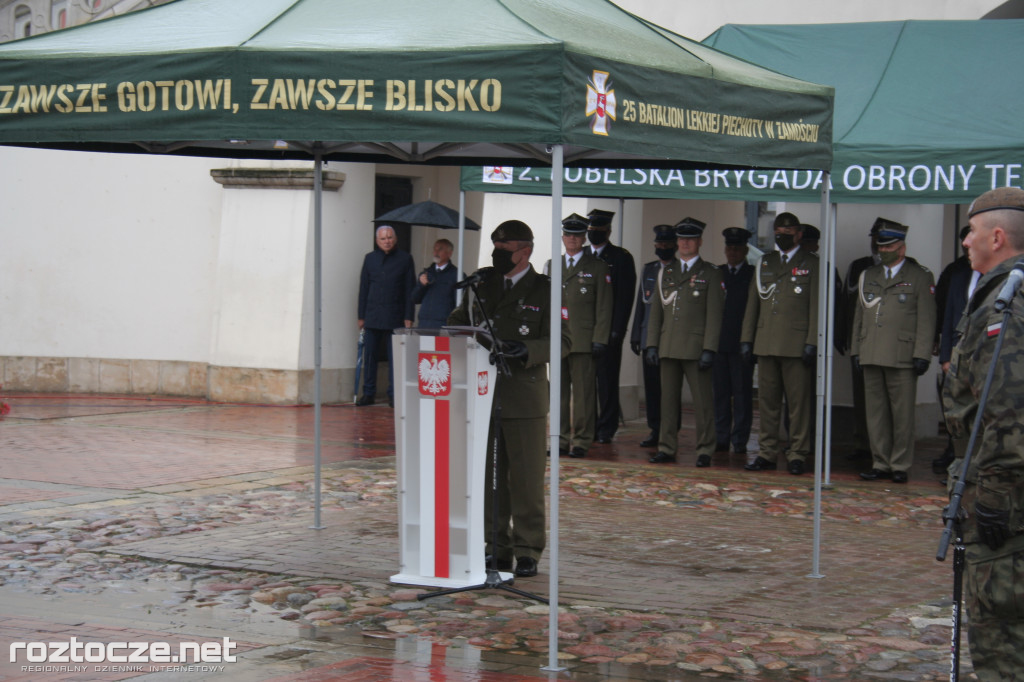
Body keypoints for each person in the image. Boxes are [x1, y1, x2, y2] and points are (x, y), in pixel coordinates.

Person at [941, 186, 1024, 679]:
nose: (965, 242)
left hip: (1005, 505)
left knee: (999, 639)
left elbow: (1007, 409)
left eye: (970, 233)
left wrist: (991, 494)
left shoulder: (1005, 306)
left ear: (996, 236)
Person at [446, 219, 554, 578]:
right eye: (494, 247)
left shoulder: (545, 290)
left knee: (524, 478)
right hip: (482, 395)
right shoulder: (483, 284)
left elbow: (563, 341)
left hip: (524, 396)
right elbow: (457, 320)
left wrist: (527, 349)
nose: (497, 254)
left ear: (526, 251)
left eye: (504, 250)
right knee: (490, 478)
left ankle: (527, 549)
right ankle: (496, 547)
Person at [851, 218, 935, 484]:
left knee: (902, 415)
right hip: (872, 351)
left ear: (902, 248)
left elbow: (926, 318)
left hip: (902, 355)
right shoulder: (869, 275)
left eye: (888, 247)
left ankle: (899, 464)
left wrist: (922, 354)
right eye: (880, 246)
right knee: (875, 413)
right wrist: (856, 349)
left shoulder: (919, 276)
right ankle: (880, 462)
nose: (882, 250)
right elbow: (859, 316)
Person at [741, 212, 818, 476]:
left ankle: (797, 453)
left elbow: (816, 306)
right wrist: (746, 339)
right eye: (778, 232)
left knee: (797, 405)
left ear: (798, 234)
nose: (782, 236)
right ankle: (767, 452)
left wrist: (812, 341)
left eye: (788, 233)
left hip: (796, 345)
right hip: (766, 342)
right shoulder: (765, 262)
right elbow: (753, 304)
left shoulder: (812, 263)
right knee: (767, 403)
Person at [645, 218, 724, 466]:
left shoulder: (710, 272)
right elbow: (656, 312)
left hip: (696, 348)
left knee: (702, 403)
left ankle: (705, 449)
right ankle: (667, 447)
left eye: (690, 239)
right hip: (668, 345)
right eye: (681, 239)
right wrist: (652, 344)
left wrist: (710, 348)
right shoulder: (666, 272)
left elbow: (714, 314)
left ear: (699, 241)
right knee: (667, 401)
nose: (685, 243)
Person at [553, 213, 612, 459]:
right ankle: (559, 438)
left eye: (577, 235)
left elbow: (604, 305)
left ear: (584, 237)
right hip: (557, 339)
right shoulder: (552, 264)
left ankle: (582, 440)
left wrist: (600, 338)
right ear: (563, 237)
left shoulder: (597, 267)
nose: (572, 239)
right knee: (558, 393)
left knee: (584, 394)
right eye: (568, 234)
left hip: (583, 339)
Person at [587, 208, 637, 444]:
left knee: (606, 380)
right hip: (584, 329)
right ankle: (587, 423)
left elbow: (625, 297)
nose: (594, 234)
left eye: (599, 230)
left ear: (608, 231)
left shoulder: (621, 257)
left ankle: (606, 426)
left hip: (609, 331)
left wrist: (618, 330)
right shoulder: (583, 255)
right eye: (591, 230)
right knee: (586, 380)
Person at [356, 224, 416, 407]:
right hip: (372, 315)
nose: (387, 241)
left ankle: (393, 394)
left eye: (390, 237)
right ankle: (368, 393)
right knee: (370, 357)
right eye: (383, 238)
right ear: (377, 241)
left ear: (395, 239)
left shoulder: (405, 259)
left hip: (395, 316)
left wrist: (409, 316)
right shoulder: (370, 258)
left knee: (394, 358)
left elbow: (409, 290)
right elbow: (364, 288)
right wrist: (361, 315)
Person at [629, 225, 678, 448]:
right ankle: (655, 428)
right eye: (659, 244)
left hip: (670, 338)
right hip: (649, 336)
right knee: (652, 388)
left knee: (669, 388)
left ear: (675, 246)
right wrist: (636, 334)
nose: (663, 248)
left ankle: (670, 429)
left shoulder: (680, 270)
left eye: (667, 244)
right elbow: (641, 304)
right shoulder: (649, 270)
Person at [933, 226, 975, 474]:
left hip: (982, 353)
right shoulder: (956, 272)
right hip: (957, 351)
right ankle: (955, 454)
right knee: (954, 407)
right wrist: (945, 355)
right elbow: (946, 313)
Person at [714, 227, 755, 455]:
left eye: (737, 248)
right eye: (729, 247)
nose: (732, 252)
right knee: (719, 393)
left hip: (741, 345)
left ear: (745, 250)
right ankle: (721, 436)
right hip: (719, 344)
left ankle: (739, 439)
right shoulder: (717, 273)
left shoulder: (752, 274)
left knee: (741, 395)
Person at [843, 221, 881, 459]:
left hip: (889, 343)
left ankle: (882, 449)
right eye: (875, 238)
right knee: (861, 395)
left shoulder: (911, 268)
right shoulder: (860, 266)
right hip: (862, 340)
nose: (877, 243)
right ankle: (862, 443)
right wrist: (847, 339)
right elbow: (848, 303)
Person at [412, 238, 461, 329]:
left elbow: (459, 304)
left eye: (440, 249)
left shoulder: (456, 275)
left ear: (449, 253)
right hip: (424, 324)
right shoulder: (426, 273)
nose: (436, 252)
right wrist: (421, 285)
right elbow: (415, 298)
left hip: (443, 325)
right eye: (435, 249)